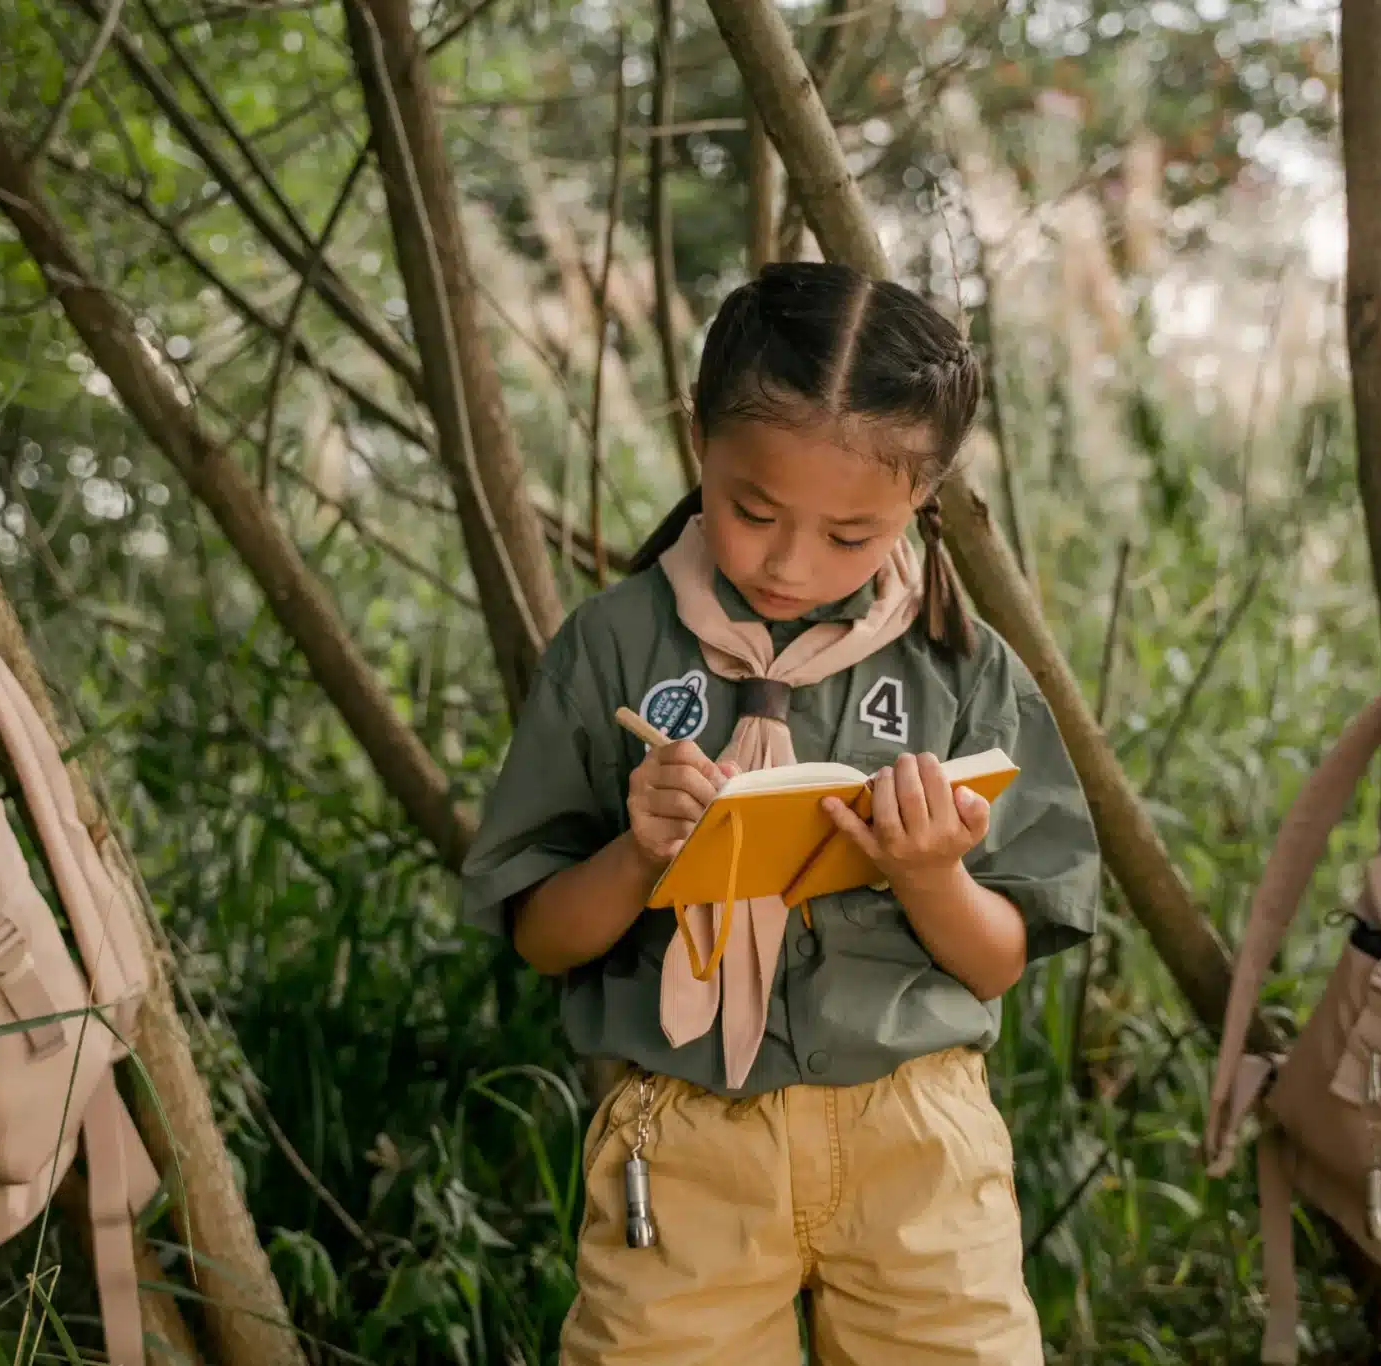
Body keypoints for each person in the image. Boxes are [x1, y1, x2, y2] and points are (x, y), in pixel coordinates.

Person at [460, 259, 1101, 1365]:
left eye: (850, 537)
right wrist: (639, 848)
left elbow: (996, 962)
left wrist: (929, 871)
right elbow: (541, 933)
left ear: (922, 497)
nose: (791, 562)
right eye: (753, 509)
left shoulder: (962, 667)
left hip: (915, 1137)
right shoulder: (613, 644)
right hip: (686, 1135)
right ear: (697, 439)